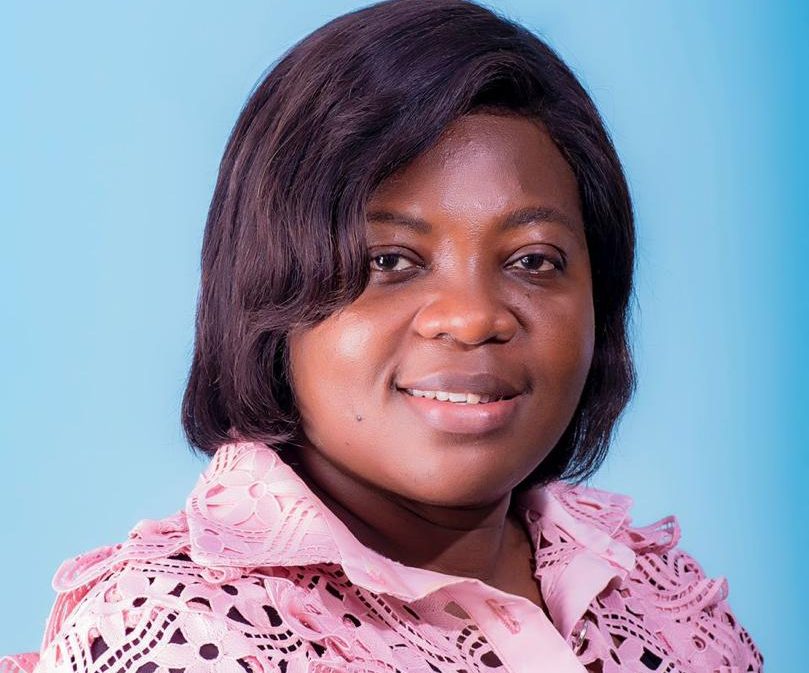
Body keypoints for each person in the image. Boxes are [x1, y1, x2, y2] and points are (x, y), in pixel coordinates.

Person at [2, 1, 764, 671]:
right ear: (267, 293)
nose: (472, 316)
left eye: (532, 260)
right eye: (389, 260)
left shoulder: (657, 594)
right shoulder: (182, 635)